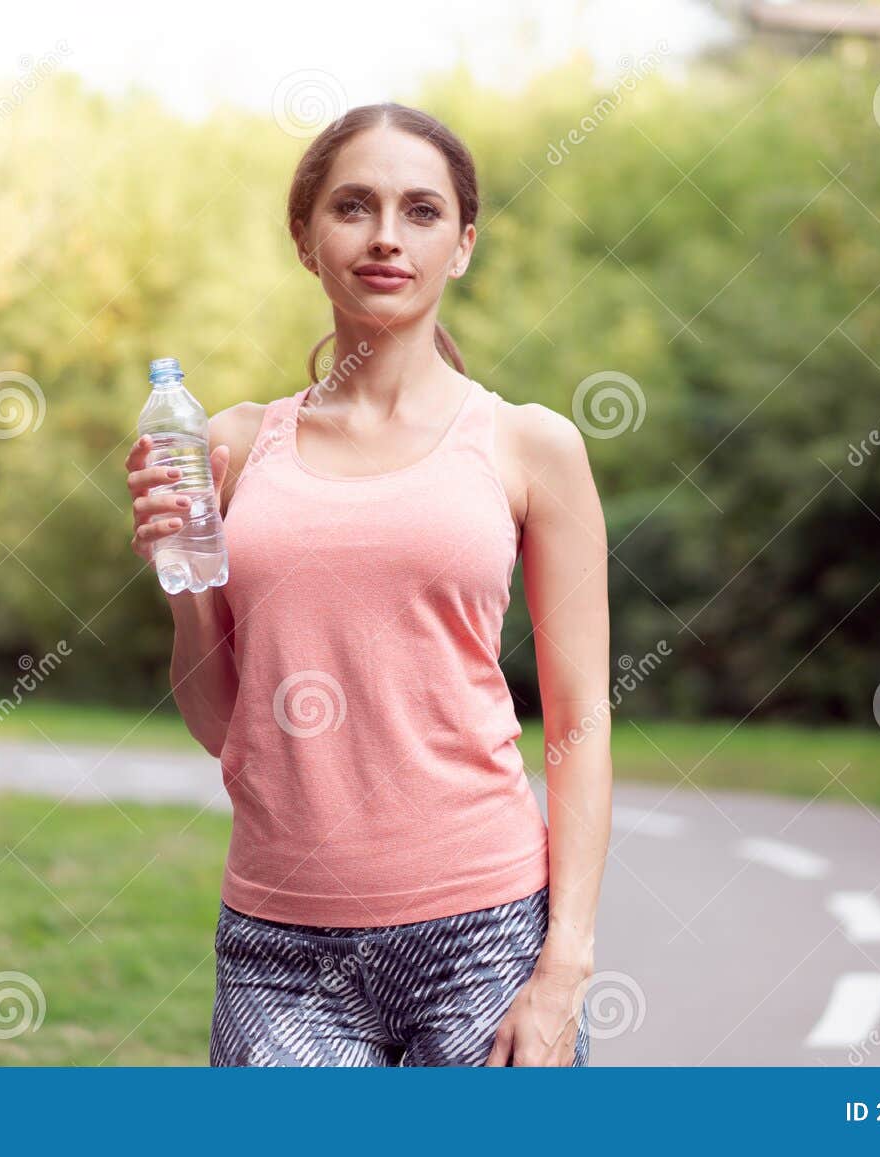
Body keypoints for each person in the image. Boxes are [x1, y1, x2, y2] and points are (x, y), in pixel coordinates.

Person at [125, 103, 613, 1066]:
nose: (387, 236)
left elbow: (578, 721)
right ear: (307, 238)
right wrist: (183, 580)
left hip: (487, 934)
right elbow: (232, 727)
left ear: (463, 244)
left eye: (422, 211)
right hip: (280, 948)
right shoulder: (226, 446)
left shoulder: (531, 446)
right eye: (354, 206)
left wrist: (565, 966)